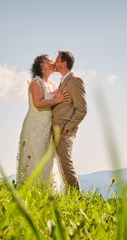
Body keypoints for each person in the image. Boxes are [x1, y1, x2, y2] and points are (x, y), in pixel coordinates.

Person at [17, 54, 68, 185]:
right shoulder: (36, 82)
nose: (53, 63)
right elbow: (38, 104)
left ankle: (45, 192)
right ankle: (31, 189)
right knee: (35, 157)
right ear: (42, 65)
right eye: (50, 61)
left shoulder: (51, 84)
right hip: (35, 126)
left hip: (47, 127)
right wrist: (55, 99)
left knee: (47, 160)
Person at [52, 51, 87, 190]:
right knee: (61, 164)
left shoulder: (75, 81)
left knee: (65, 163)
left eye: (57, 60)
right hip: (56, 129)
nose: (55, 63)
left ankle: (77, 198)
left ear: (64, 63)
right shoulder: (63, 81)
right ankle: (70, 197)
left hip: (65, 131)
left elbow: (82, 109)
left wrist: (67, 127)